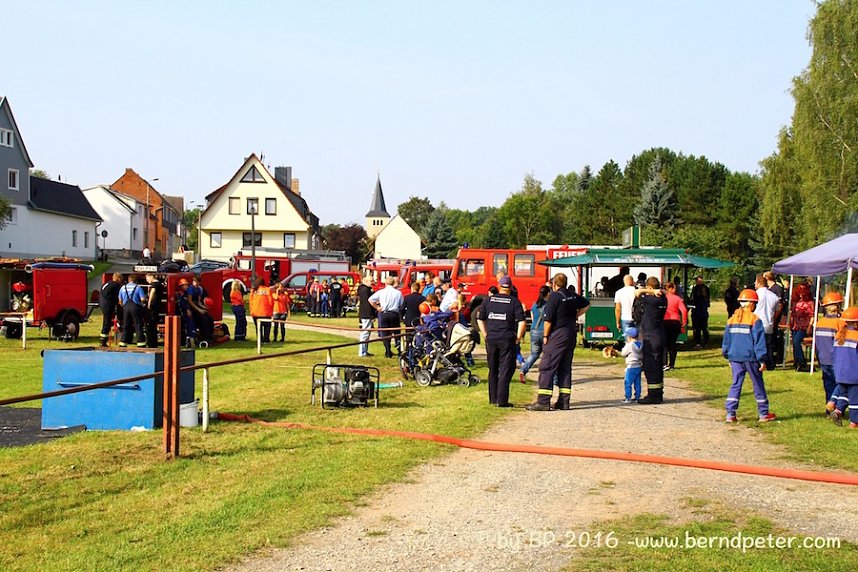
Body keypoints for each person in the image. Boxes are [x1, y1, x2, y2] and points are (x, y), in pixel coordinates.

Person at [526, 273, 590, 411]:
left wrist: (545, 336)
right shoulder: (572, 295)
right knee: (565, 368)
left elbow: (548, 319)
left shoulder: (555, 296)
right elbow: (586, 304)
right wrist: (575, 315)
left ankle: (543, 402)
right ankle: (564, 401)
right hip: (570, 333)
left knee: (547, 366)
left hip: (558, 334)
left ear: (554, 284)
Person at [722, 289, 776, 423]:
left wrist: (727, 355)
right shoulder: (755, 320)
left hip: (735, 358)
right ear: (753, 304)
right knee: (758, 384)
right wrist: (762, 359)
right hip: (751, 358)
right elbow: (759, 342)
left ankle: (730, 414)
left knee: (736, 384)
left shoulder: (732, 319)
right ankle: (763, 413)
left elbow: (726, 341)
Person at [477, 276, 525, 407]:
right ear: (510, 287)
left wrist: (485, 333)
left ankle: (493, 399)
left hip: (491, 338)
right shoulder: (514, 302)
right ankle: (502, 400)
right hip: (507, 338)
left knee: (493, 369)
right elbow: (522, 321)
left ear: (499, 286)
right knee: (505, 369)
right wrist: (518, 337)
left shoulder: (488, 300)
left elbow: (479, 319)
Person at [635, 277, 668, 404]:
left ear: (649, 288)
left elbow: (637, 293)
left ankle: (653, 395)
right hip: (660, 334)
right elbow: (665, 293)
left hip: (651, 337)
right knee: (658, 366)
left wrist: (649, 291)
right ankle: (659, 393)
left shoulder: (650, 300)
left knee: (651, 366)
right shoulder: (663, 299)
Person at [827, 307, 858, 427]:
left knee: (844, 393)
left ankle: (838, 410)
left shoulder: (839, 335)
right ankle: (854, 422)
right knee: (855, 399)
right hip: (854, 373)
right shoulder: (856, 336)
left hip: (840, 372)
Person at [813, 291, 845, 408]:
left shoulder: (820, 323)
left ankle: (829, 409)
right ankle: (837, 407)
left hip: (823, 358)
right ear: (838, 306)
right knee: (841, 385)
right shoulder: (840, 323)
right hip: (836, 360)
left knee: (828, 385)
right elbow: (842, 343)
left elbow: (816, 344)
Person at [520, 285, 551, 383]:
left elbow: (533, 319)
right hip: (545, 332)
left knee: (534, 354)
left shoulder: (535, 305)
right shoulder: (549, 305)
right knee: (549, 356)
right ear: (548, 294)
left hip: (534, 331)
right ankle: (552, 379)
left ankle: (523, 370)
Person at [369, 276, 404, 358]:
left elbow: (370, 299)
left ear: (385, 283)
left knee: (385, 333)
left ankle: (388, 351)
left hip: (384, 313)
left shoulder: (381, 292)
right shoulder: (398, 293)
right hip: (394, 314)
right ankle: (399, 350)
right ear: (393, 283)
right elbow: (402, 304)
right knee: (396, 333)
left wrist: (377, 308)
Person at [607, 327, 642, 403]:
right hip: (638, 365)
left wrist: (617, 351)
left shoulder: (630, 345)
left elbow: (623, 353)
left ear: (629, 337)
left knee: (628, 382)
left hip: (631, 366)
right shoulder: (640, 344)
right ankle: (637, 397)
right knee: (637, 382)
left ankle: (628, 397)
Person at [753, 274, 780, 370]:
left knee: (757, 344)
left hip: (756, 323)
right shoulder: (774, 297)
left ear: (760, 283)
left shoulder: (755, 295)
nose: (754, 284)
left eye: (755, 283)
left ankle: (758, 362)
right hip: (769, 323)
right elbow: (777, 311)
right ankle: (770, 364)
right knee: (768, 346)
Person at [662, 282, 688, 371]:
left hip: (664, 321)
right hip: (675, 322)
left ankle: (664, 364)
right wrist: (684, 322)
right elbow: (684, 310)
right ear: (671, 289)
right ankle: (672, 364)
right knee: (672, 344)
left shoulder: (663, 298)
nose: (675, 290)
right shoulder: (677, 299)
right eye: (674, 288)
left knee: (664, 344)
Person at [788, 282, 814, 371]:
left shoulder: (809, 303)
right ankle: (797, 361)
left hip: (804, 327)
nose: (801, 293)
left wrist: (810, 327)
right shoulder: (794, 302)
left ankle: (802, 362)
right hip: (795, 326)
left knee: (796, 341)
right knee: (794, 343)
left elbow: (812, 315)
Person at [118, 274, 147, 348]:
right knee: (138, 324)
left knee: (126, 325)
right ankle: (141, 343)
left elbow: (120, 300)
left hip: (126, 308)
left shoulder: (123, 287)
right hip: (135, 307)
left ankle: (123, 343)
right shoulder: (138, 287)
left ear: (128, 280)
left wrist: (124, 307)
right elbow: (142, 299)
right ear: (136, 280)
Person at [98, 272, 122, 347]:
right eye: (121, 279)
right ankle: (103, 341)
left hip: (103, 304)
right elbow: (119, 296)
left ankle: (103, 339)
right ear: (118, 278)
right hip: (107, 305)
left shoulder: (107, 284)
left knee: (106, 322)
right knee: (107, 323)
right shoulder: (115, 285)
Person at [250, 277, 274, 343]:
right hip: (266, 312)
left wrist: (251, 311)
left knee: (258, 328)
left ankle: (259, 340)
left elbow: (251, 302)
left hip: (255, 312)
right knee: (267, 327)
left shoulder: (253, 290)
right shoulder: (267, 290)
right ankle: (266, 340)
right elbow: (271, 301)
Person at [357, 276, 375, 357]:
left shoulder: (364, 289)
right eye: (371, 281)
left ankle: (364, 351)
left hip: (365, 313)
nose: (373, 282)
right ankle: (362, 352)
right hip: (366, 314)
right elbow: (366, 304)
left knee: (367, 334)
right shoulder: (365, 290)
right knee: (365, 333)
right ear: (365, 281)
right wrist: (371, 315)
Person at [690, 275, 710, 349]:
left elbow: (693, 299)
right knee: (700, 327)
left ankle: (703, 341)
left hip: (700, 311)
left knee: (701, 327)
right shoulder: (697, 288)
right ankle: (701, 341)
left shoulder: (701, 289)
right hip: (700, 311)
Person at [144, 273, 164, 348]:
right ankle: (153, 343)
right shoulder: (160, 284)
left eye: (147, 278)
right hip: (157, 307)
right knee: (153, 326)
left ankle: (151, 343)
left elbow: (152, 292)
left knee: (150, 325)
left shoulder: (155, 285)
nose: (147, 280)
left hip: (152, 307)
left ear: (151, 276)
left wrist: (149, 303)